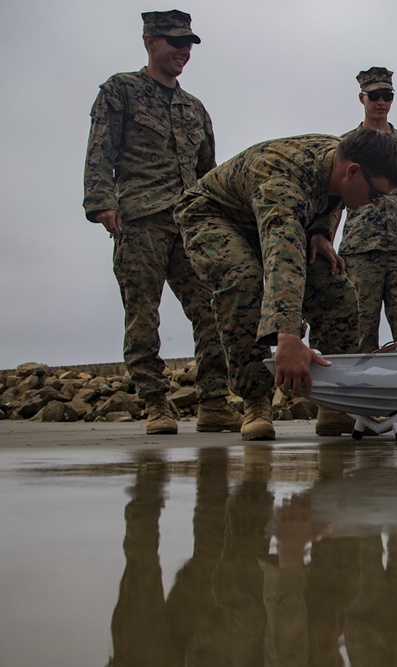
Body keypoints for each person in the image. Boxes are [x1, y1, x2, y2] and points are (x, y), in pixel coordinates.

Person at [174, 129, 397, 441]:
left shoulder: (342, 159)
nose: (376, 205)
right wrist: (288, 335)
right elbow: (282, 258)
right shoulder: (283, 183)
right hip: (213, 216)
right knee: (242, 282)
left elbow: (330, 198)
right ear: (352, 172)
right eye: (376, 195)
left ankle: (335, 406)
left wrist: (321, 230)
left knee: (337, 291)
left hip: (273, 220)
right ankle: (255, 402)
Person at [83, 10, 241, 436]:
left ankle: (213, 401)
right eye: (175, 43)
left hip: (190, 224)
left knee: (212, 310)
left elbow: (209, 173)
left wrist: (223, 220)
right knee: (142, 314)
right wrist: (101, 201)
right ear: (150, 41)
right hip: (140, 218)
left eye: (188, 44)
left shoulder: (195, 109)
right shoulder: (122, 91)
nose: (183, 52)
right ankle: (156, 403)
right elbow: (101, 149)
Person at [319, 67, 397, 434]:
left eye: (386, 96)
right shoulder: (345, 145)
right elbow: (332, 199)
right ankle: (355, 408)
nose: (380, 102)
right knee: (359, 329)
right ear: (361, 98)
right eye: (373, 95)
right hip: (360, 250)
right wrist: (324, 238)